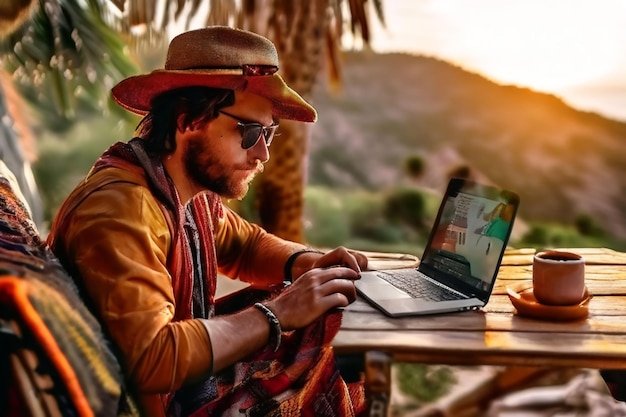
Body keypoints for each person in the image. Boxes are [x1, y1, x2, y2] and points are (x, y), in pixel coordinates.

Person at [47, 26, 368, 417]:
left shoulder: (184, 194)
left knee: (329, 322)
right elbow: (154, 358)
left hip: (181, 391)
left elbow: (244, 245)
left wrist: (307, 263)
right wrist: (278, 313)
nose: (263, 153)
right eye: (250, 133)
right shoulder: (120, 208)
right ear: (189, 122)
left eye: (269, 133)